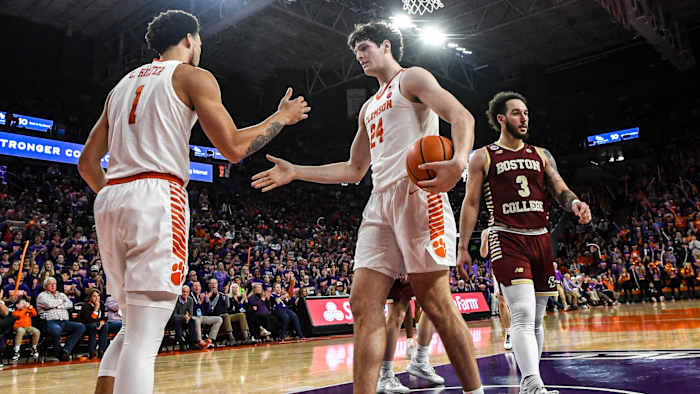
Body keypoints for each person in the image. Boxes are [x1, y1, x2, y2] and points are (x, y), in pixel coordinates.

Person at [78, 9, 309, 394]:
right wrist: (280, 119)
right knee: (145, 338)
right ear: (189, 38)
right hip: (155, 194)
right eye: (199, 40)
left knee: (135, 328)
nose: (200, 46)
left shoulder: (121, 85)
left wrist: (119, 199)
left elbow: (87, 163)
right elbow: (234, 147)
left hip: (112, 197)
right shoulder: (192, 76)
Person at [252, 21, 483, 394]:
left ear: (386, 46)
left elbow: (462, 116)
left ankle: (476, 391)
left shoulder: (413, 79)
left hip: (418, 193)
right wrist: (296, 172)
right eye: (356, 50)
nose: (359, 55)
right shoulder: (368, 107)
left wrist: (458, 161)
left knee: (436, 303)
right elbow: (354, 169)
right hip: (379, 202)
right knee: (362, 304)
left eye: (365, 48)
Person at [457, 91, 591, 394]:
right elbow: (471, 202)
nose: (524, 118)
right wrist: (463, 246)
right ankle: (531, 383)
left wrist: (574, 203)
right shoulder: (483, 156)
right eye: (517, 113)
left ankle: (533, 379)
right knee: (522, 312)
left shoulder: (540, 154)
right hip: (506, 237)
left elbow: (559, 188)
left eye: (526, 112)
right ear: (501, 119)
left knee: (537, 317)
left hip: (540, 238)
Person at [377, 278, 443, 393]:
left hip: (420, 264)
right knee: (397, 312)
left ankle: (419, 360)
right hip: (404, 265)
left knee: (434, 302)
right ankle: (385, 375)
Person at [36, 277, 86, 361]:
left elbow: (70, 304)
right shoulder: (42, 295)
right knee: (56, 329)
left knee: (81, 326)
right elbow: (49, 304)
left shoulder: (61, 294)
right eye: (50, 284)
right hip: (49, 321)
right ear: (45, 286)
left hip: (64, 321)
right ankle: (58, 353)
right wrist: (62, 302)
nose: (53, 285)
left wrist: (58, 305)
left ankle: (66, 350)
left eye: (54, 284)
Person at [481, 229, 511, 351]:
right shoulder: (487, 231)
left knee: (518, 304)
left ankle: (524, 330)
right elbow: (483, 254)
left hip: (516, 265)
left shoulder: (511, 225)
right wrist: (485, 239)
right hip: (498, 268)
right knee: (501, 303)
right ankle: (508, 333)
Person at [79, 289, 108, 359]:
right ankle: (92, 351)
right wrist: (95, 309)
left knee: (105, 326)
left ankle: (101, 350)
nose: (97, 298)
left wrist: (102, 322)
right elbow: (90, 320)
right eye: (94, 296)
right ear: (90, 297)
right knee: (93, 326)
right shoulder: (86, 306)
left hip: (97, 323)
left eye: (98, 296)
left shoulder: (102, 304)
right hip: (87, 324)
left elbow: (105, 317)